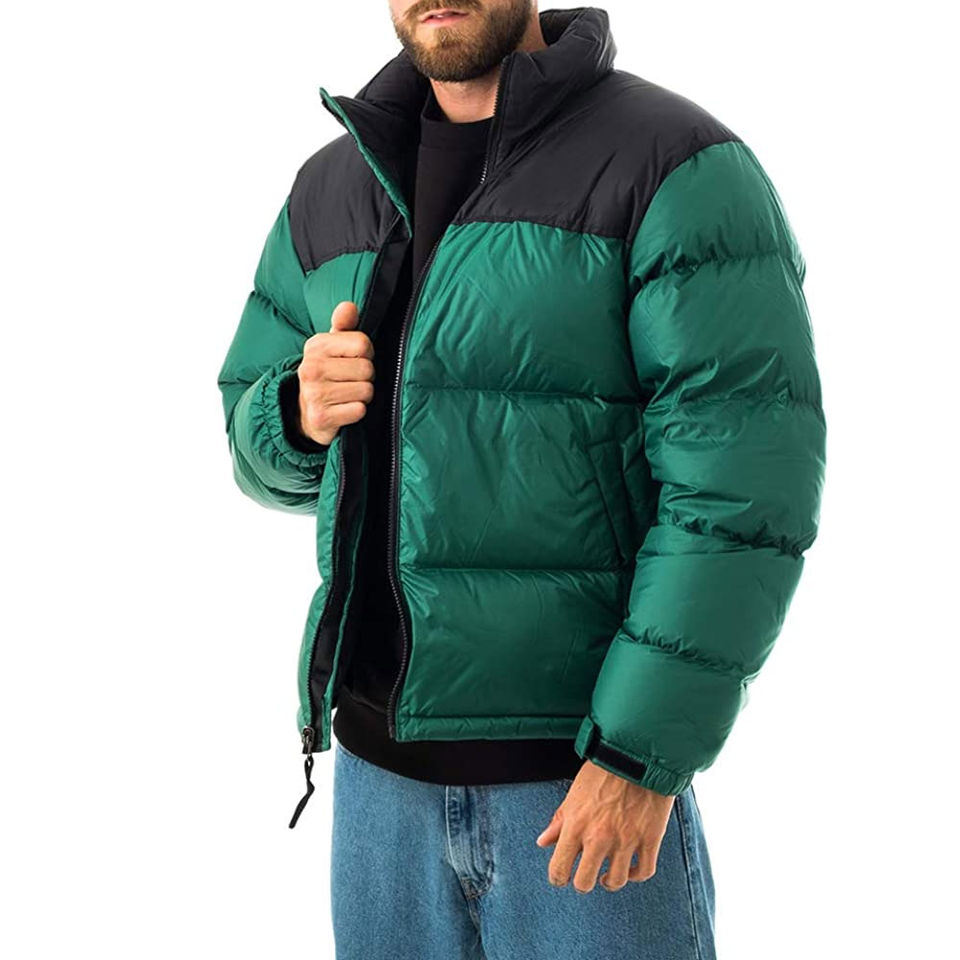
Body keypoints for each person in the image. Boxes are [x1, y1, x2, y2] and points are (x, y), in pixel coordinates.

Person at [215, 3, 826, 957]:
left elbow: (741, 490)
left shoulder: (673, 165)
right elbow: (251, 439)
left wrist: (639, 754)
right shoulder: (333, 184)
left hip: (578, 787)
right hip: (376, 793)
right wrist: (295, 413)